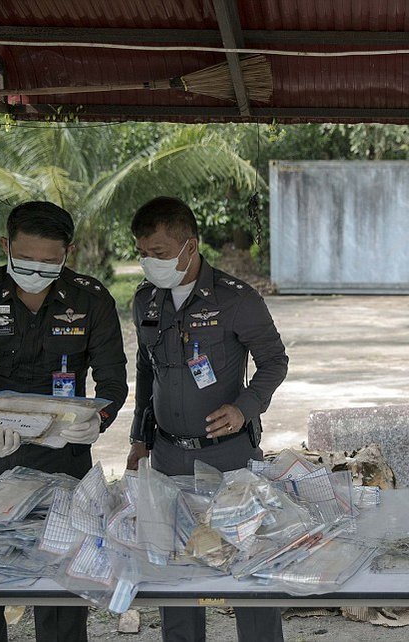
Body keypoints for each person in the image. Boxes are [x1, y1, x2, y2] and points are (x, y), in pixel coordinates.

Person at [0, 201, 128, 642]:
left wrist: (97, 421)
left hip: (65, 459)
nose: (37, 270)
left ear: (68, 251)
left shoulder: (91, 298)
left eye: (50, 262)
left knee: (62, 589)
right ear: (6, 246)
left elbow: (113, 381)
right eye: (26, 259)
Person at [126, 196, 288, 642]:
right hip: (168, 458)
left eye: (158, 253)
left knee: (248, 573)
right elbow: (146, 370)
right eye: (141, 252)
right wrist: (139, 439)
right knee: (178, 579)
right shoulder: (145, 302)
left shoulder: (237, 300)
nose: (148, 262)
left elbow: (275, 361)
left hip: (229, 460)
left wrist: (245, 408)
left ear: (189, 245)